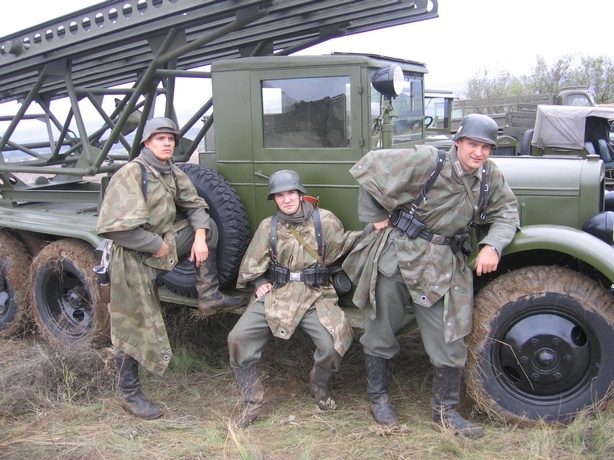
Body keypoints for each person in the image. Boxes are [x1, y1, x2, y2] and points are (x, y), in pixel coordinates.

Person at [342, 114, 520, 437]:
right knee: (380, 329)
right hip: (399, 255)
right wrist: (376, 216)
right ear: (459, 142)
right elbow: (369, 167)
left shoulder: (489, 176)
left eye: (486, 147)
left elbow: (507, 212)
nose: (479, 153)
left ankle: (445, 412)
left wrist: (492, 245)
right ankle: (378, 397)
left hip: (442, 265)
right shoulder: (429, 160)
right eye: (473, 144)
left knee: (450, 339)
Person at [96, 117, 248, 419]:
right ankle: (130, 394)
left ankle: (209, 295)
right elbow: (113, 228)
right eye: (160, 138)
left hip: (160, 250)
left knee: (208, 227)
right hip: (133, 258)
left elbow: (196, 205)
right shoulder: (132, 173)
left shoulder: (171, 172)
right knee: (132, 326)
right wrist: (155, 245)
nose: (167, 143)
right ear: (146, 143)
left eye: (171, 138)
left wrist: (200, 236)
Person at [227, 170, 361, 427]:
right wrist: (259, 283)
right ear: (274, 199)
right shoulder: (269, 227)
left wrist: (375, 230)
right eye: (280, 195)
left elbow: (345, 246)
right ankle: (252, 401)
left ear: (300, 194)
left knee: (333, 344)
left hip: (315, 294)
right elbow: (252, 263)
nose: (286, 199)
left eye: (291, 193)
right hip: (279, 294)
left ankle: (319, 384)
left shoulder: (325, 221)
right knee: (238, 338)